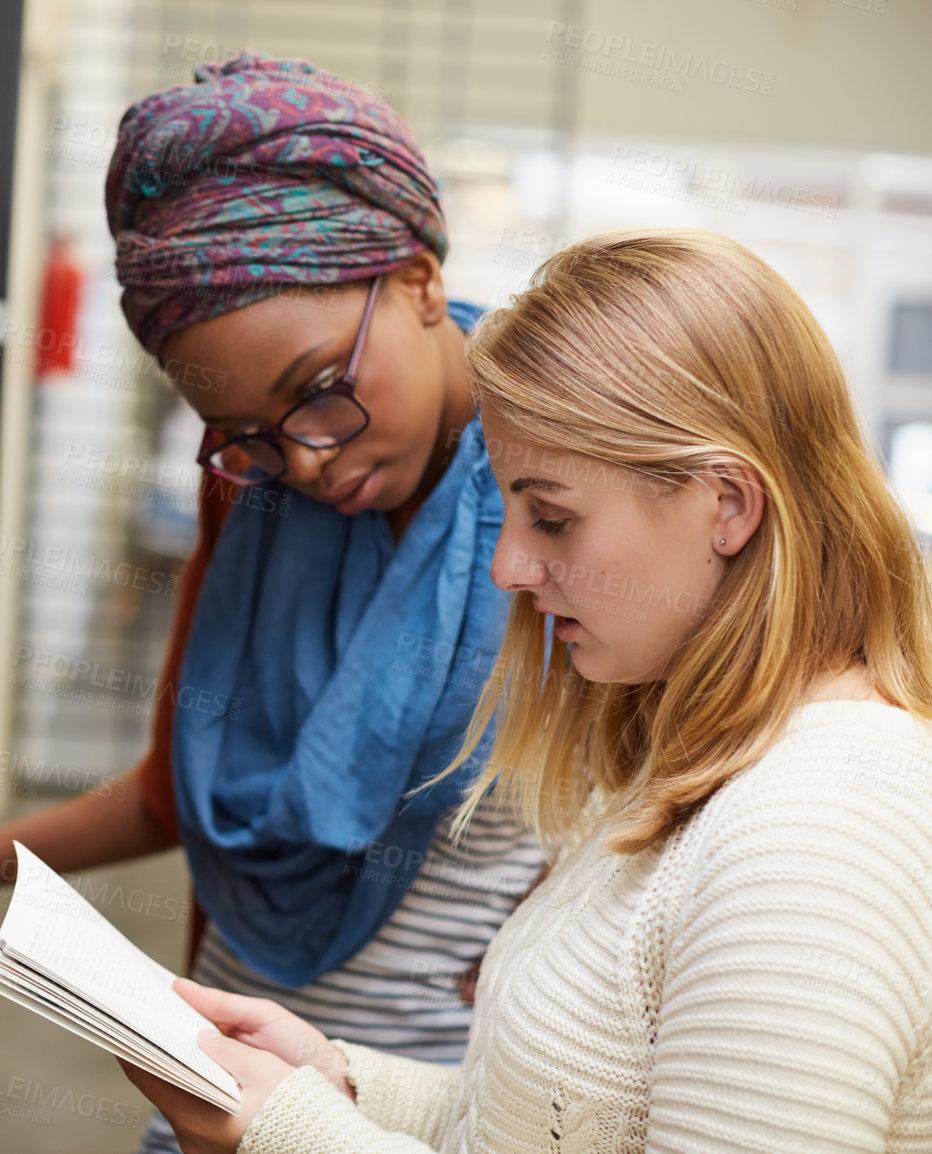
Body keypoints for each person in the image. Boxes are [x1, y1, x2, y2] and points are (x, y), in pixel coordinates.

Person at [0, 53, 545, 1150]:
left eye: (316, 392)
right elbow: (183, 788)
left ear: (412, 278)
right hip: (226, 1081)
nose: (302, 462)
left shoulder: (565, 483)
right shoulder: (252, 498)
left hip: (446, 1109)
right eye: (244, 434)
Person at [121, 228, 932, 1154]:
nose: (509, 566)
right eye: (509, 510)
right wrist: (341, 1080)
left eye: (553, 516)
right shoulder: (705, 759)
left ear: (729, 506)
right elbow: (559, 1125)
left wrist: (293, 1133)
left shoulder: (817, 833)